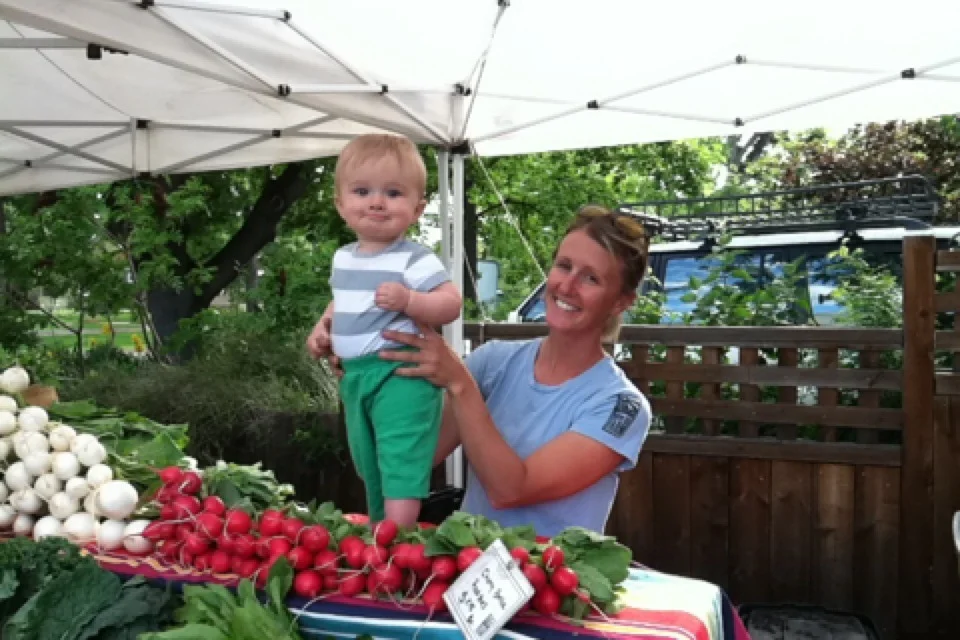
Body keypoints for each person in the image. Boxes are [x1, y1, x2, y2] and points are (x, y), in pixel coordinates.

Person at [374, 204, 653, 536]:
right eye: (563, 266)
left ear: (622, 302)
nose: (567, 286)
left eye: (591, 278)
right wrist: (363, 371)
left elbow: (511, 490)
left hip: (550, 580)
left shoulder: (621, 405)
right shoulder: (493, 361)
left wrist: (461, 385)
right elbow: (412, 457)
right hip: (465, 573)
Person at [306, 133, 462, 527]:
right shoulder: (344, 257)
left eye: (393, 193)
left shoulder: (414, 259)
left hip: (400, 373)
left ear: (417, 208)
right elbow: (342, 301)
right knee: (368, 458)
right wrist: (323, 329)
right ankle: (382, 530)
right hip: (357, 377)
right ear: (341, 204)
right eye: (362, 191)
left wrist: (410, 301)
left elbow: (450, 302)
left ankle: (400, 535)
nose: (376, 202)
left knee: (400, 455)